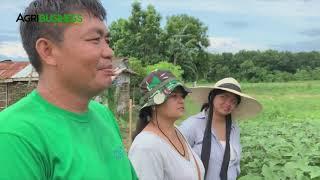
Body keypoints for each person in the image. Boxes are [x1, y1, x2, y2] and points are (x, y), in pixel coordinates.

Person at [0, 0, 137, 179]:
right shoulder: (15, 135)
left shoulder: (103, 115)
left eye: (107, 40)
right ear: (47, 51)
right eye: (95, 40)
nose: (109, 51)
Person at [179, 77, 262, 180]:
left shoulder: (233, 128)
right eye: (223, 97)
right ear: (212, 97)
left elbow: (235, 164)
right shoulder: (192, 125)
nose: (228, 104)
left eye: (233, 101)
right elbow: (176, 161)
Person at [129, 70, 205, 180]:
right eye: (174, 96)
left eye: (182, 96)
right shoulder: (146, 146)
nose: (181, 101)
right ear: (154, 104)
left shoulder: (177, 131)